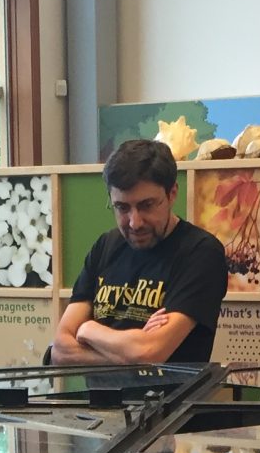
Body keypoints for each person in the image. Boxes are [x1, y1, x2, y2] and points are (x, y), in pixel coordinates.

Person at [51, 138, 228, 368]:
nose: (134, 223)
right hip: (98, 402)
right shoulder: (106, 246)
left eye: (146, 205)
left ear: (172, 193)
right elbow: (61, 351)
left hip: (166, 402)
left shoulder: (201, 253)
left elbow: (148, 352)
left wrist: (88, 329)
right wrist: (130, 351)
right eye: (122, 208)